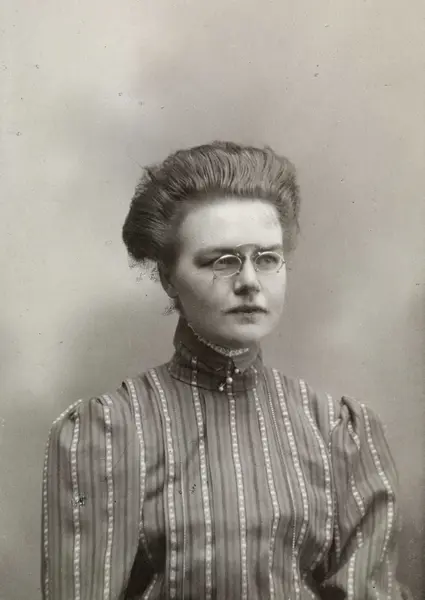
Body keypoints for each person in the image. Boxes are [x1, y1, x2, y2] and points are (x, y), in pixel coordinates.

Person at [41, 141, 411, 599]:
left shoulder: (338, 431)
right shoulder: (108, 432)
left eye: (268, 259)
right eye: (222, 261)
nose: (250, 282)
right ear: (168, 277)